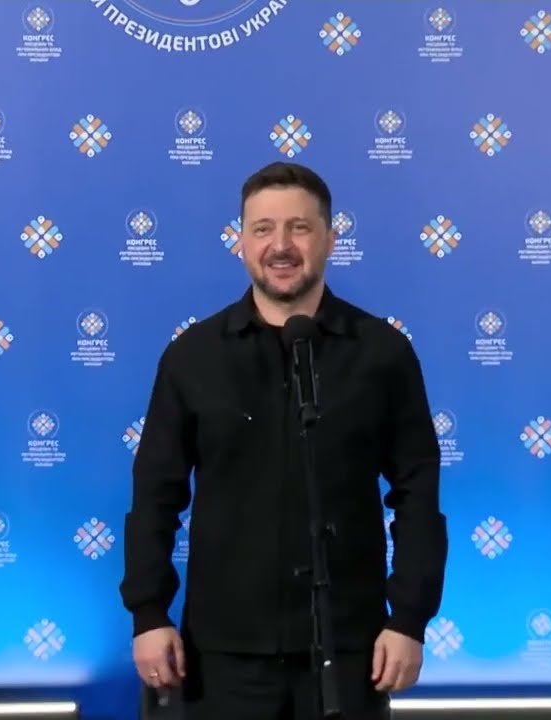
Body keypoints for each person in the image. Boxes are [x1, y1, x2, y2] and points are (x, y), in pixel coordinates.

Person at [119, 161, 448, 719]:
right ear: (241, 242)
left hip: (351, 649)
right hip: (222, 653)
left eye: (299, 228)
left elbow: (417, 492)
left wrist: (409, 619)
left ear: (330, 239)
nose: (281, 246)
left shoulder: (382, 354)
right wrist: (149, 614)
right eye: (263, 229)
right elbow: (156, 493)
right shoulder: (193, 356)